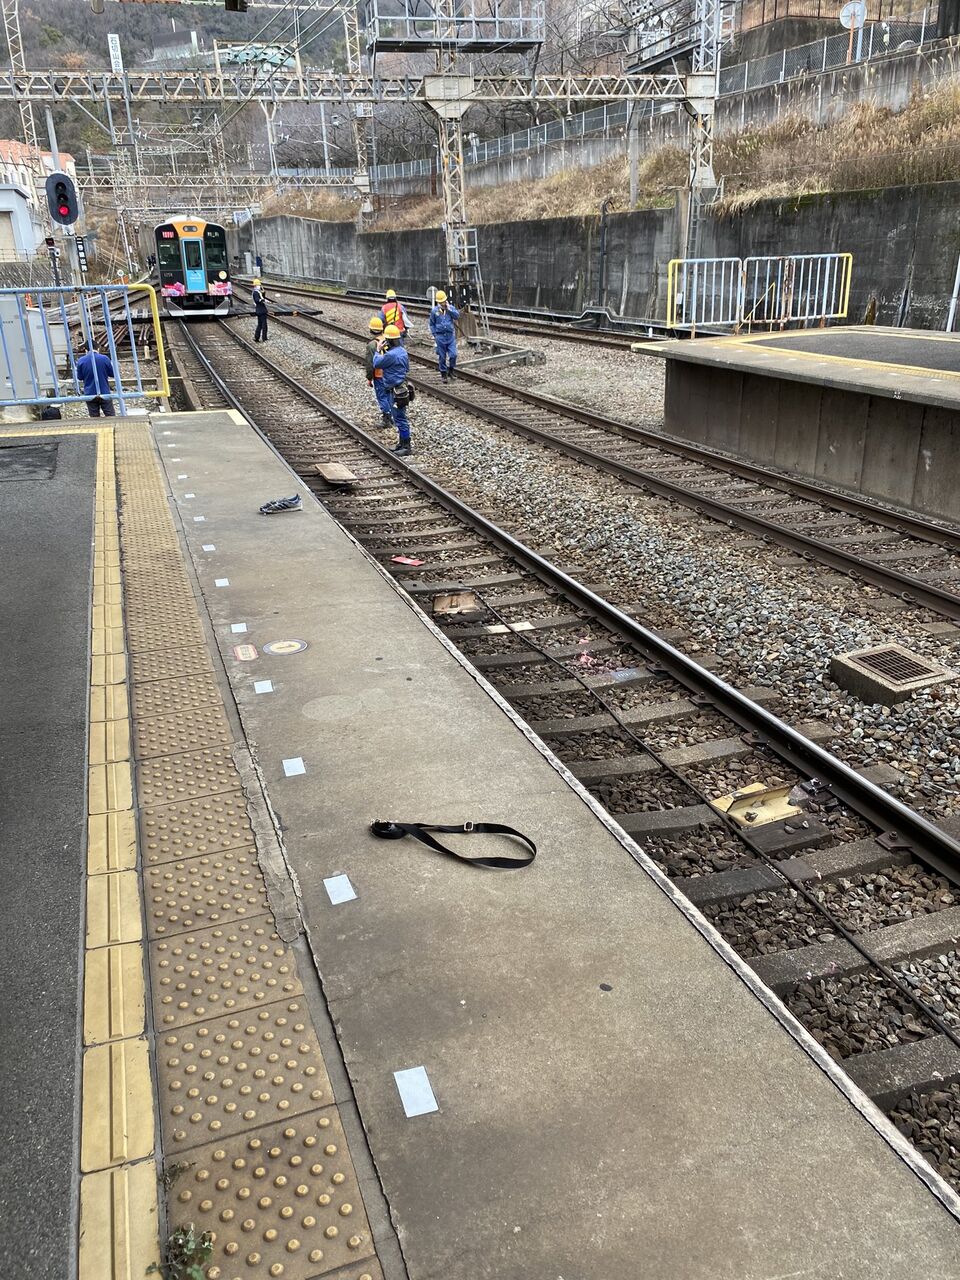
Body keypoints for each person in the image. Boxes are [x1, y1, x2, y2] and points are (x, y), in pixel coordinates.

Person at [372, 323, 412, 456]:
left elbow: (376, 363)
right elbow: (407, 369)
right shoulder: (402, 351)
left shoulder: (391, 355)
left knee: (400, 418)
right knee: (400, 416)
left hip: (394, 390)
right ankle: (402, 443)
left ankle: (406, 445)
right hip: (401, 388)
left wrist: (378, 350)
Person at [365, 315, 392, 428]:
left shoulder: (372, 345)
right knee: (390, 395)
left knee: (382, 396)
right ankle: (392, 415)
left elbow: (370, 364)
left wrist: (369, 377)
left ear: (371, 330)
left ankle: (386, 418)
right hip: (390, 374)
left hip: (379, 374)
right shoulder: (389, 340)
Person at [428, 289, 460, 382]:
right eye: (441, 302)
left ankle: (451, 371)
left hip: (450, 337)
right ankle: (443, 374)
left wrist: (450, 309)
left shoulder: (450, 308)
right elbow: (431, 324)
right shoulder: (434, 311)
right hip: (440, 337)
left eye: (444, 301)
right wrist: (435, 334)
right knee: (442, 357)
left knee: (453, 354)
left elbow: (457, 316)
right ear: (438, 302)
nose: (443, 303)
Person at [75, 348, 116, 417]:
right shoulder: (105, 358)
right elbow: (112, 374)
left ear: (86, 350)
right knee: (110, 415)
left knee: (94, 417)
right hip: (104, 391)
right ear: (98, 348)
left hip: (90, 393)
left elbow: (80, 377)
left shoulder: (81, 360)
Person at [252, 278, 268, 343]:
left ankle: (257, 337)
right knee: (264, 325)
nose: (260, 286)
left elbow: (262, 297)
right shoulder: (255, 292)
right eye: (259, 285)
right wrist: (262, 300)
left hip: (260, 310)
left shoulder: (258, 292)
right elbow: (257, 300)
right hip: (261, 310)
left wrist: (263, 293)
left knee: (260, 324)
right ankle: (264, 338)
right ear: (255, 285)